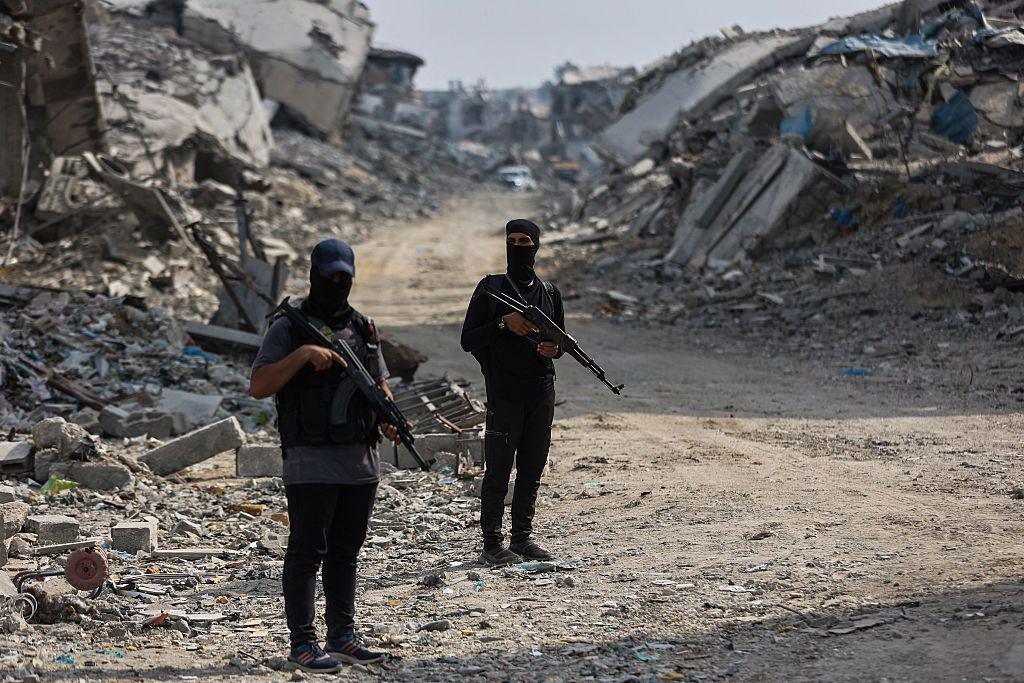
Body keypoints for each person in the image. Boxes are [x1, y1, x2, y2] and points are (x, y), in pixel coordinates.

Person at [249, 238, 399, 673]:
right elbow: (259, 385)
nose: (336, 283)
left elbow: (379, 385)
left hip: (360, 462)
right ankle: (302, 643)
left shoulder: (364, 329)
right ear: (313, 275)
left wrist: (388, 416)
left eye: (343, 278)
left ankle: (343, 637)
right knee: (306, 552)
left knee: (345, 552)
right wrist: (302, 355)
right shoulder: (289, 328)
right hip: (309, 460)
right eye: (329, 276)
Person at [461, 219, 564, 566]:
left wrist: (553, 349)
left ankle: (522, 538)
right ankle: (492, 543)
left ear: (536, 246)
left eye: (525, 242)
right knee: (499, 471)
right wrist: (504, 323)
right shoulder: (490, 289)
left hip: (541, 391)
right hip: (504, 393)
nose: (518, 247)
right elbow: (468, 339)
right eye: (512, 241)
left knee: (532, 469)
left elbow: (559, 341)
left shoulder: (550, 293)